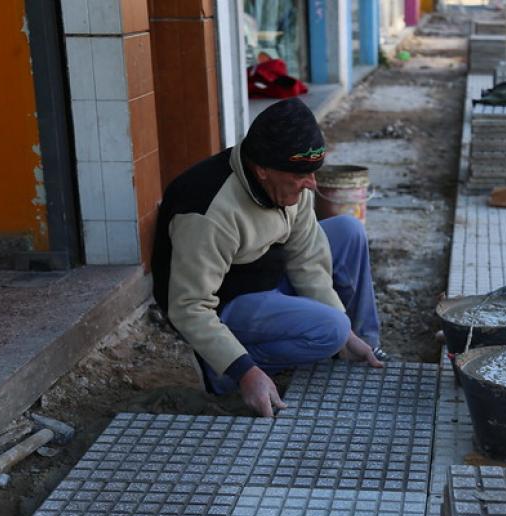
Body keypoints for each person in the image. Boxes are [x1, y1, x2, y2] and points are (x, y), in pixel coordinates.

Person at [151, 98, 386, 417]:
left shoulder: (290, 182)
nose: (311, 185)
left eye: (313, 173)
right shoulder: (209, 211)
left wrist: (349, 337)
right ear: (262, 169)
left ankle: (362, 349)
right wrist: (244, 370)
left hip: (267, 275)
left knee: (348, 230)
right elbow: (188, 307)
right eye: (300, 177)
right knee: (330, 328)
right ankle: (224, 369)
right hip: (227, 304)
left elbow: (308, 259)